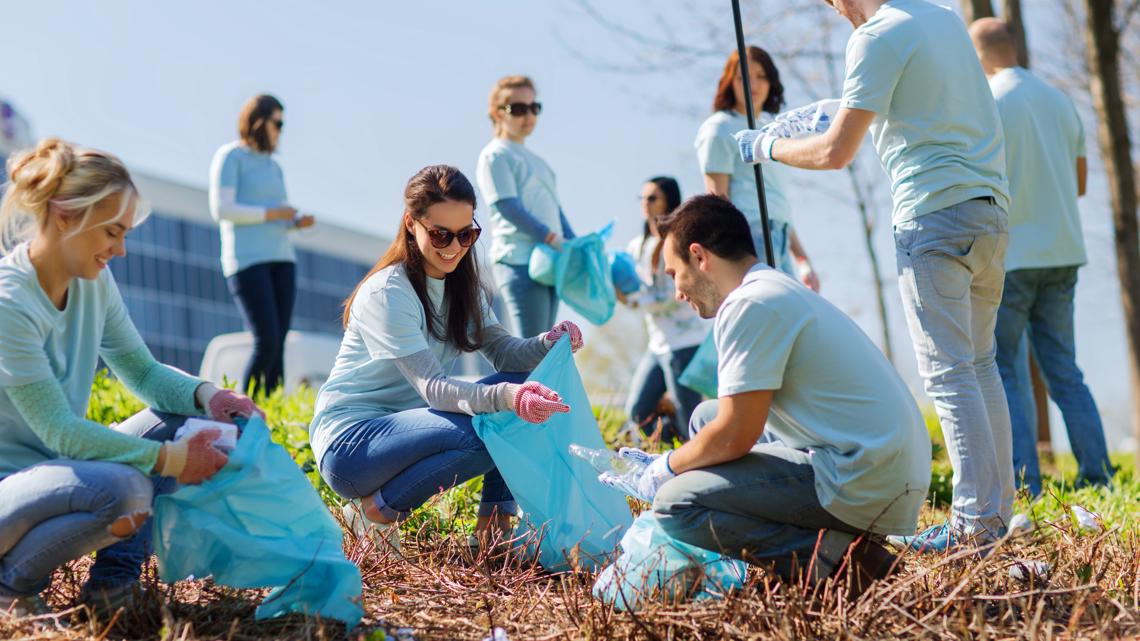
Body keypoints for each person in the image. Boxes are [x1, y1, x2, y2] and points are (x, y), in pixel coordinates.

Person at [738, 0, 1012, 553]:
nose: (836, 10)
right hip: (990, 211)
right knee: (980, 366)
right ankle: (992, 517)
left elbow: (836, 151)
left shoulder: (875, 36)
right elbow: (920, 101)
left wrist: (766, 145)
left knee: (950, 374)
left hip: (932, 216)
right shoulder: (942, 18)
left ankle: (973, 528)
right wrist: (841, 106)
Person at [601, 195, 930, 597]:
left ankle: (843, 562)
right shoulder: (771, 288)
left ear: (699, 256)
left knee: (676, 504)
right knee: (706, 416)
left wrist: (666, 467)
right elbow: (725, 425)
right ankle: (830, 543)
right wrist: (681, 462)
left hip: (863, 477)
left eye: (674, 274)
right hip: (877, 463)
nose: (677, 292)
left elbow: (735, 435)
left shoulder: (750, 305)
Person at [0, 139, 262, 616]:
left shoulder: (94, 282)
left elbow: (140, 370)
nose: (119, 250)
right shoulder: (9, 303)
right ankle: (11, 590)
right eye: (111, 233)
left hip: (57, 471)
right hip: (7, 491)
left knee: (185, 421)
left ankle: (111, 594)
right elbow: (59, 430)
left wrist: (210, 396)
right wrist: (171, 459)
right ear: (64, 216)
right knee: (126, 491)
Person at [309, 165, 583, 552]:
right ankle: (375, 511)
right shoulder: (389, 292)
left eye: (466, 234)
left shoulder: (463, 288)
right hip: (352, 447)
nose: (454, 247)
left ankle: (494, 532)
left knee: (522, 388)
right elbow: (433, 389)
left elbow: (507, 353)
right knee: (493, 429)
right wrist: (507, 399)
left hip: (410, 432)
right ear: (411, 223)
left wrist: (547, 342)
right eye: (440, 234)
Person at [969, 18, 1114, 497]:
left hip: (1012, 256)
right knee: (1065, 370)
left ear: (982, 53)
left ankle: (1026, 484)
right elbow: (1079, 184)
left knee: (1005, 367)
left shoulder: (987, 103)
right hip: (1064, 253)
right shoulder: (1059, 99)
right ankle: (1099, 476)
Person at [209, 94, 315, 396]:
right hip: (247, 261)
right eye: (277, 123)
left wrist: (294, 220)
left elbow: (279, 214)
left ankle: (272, 412)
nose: (280, 130)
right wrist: (272, 213)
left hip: (282, 258)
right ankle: (246, 411)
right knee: (266, 339)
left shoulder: (273, 168)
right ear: (259, 121)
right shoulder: (231, 157)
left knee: (279, 341)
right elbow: (222, 209)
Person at [695, 46, 819, 289]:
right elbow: (717, 201)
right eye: (743, 77)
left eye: (761, 76)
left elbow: (777, 202)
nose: (753, 84)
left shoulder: (774, 132)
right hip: (749, 236)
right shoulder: (719, 128)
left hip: (779, 235)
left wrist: (802, 258)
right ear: (730, 81)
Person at [476, 75, 576, 338]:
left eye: (534, 108)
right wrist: (550, 236)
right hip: (518, 260)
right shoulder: (495, 154)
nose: (529, 115)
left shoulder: (539, 161)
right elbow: (507, 205)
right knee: (532, 350)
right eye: (519, 109)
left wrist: (574, 243)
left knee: (544, 348)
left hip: (550, 260)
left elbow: (555, 209)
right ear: (498, 112)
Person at [620, 177, 709, 442]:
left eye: (652, 198)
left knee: (690, 416)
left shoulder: (679, 241)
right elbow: (632, 284)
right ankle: (680, 450)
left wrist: (637, 301)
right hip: (657, 344)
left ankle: (700, 459)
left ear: (668, 201)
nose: (645, 204)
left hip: (684, 341)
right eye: (642, 198)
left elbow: (677, 292)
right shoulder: (636, 245)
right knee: (637, 412)